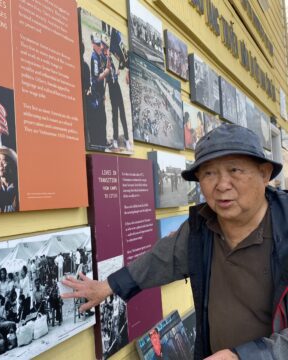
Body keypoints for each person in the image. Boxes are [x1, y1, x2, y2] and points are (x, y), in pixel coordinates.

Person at [62, 123, 288, 359]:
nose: (221, 185)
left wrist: (242, 356)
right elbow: (160, 259)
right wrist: (107, 287)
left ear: (264, 173)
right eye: (209, 173)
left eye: (234, 170)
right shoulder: (201, 228)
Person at [100, 34, 131, 152]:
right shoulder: (102, 58)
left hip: (117, 86)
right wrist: (104, 94)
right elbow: (104, 78)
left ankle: (127, 139)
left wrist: (119, 70)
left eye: (108, 48)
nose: (107, 50)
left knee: (122, 112)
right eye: (105, 48)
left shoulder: (111, 57)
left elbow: (121, 62)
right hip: (111, 88)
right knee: (114, 114)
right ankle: (115, 139)